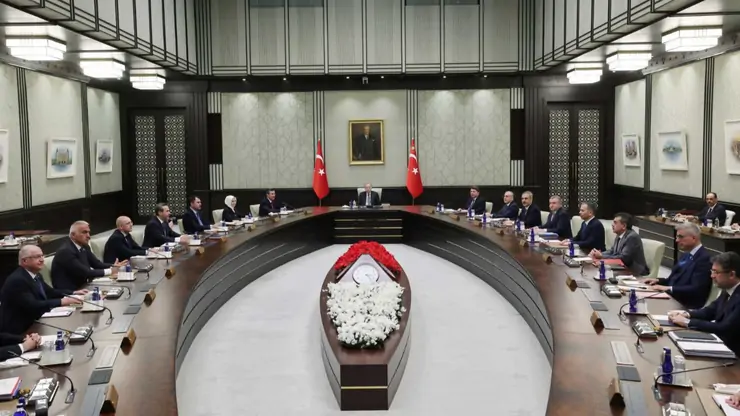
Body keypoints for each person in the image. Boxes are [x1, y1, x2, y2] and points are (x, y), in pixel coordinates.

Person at [667, 252, 740, 355]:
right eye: (712, 271)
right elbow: (709, 311)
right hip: (721, 344)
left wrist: (688, 322)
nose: (712, 276)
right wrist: (686, 314)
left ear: (732, 274)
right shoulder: (728, 289)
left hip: (734, 353)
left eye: (716, 272)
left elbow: (724, 328)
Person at [0, 245, 83, 334]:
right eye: (37, 257)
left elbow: (50, 292)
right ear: (24, 261)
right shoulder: (18, 280)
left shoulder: (36, 275)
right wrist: (61, 301)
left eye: (42, 256)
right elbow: (33, 305)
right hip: (20, 330)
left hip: (36, 323)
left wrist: (73, 293)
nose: (42, 259)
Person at [642, 223, 712, 309]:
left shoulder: (704, 259)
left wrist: (668, 288)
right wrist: (658, 280)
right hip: (672, 296)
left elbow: (696, 289)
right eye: (677, 237)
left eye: (680, 237)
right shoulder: (686, 254)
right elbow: (673, 280)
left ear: (693, 238)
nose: (677, 240)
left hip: (684, 303)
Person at [51, 221, 126, 292]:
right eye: (84, 232)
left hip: (85, 286)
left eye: (88, 232)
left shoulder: (84, 246)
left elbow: (97, 264)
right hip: (71, 292)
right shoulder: (65, 251)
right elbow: (86, 272)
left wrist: (114, 266)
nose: (88, 236)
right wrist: (111, 270)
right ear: (73, 235)